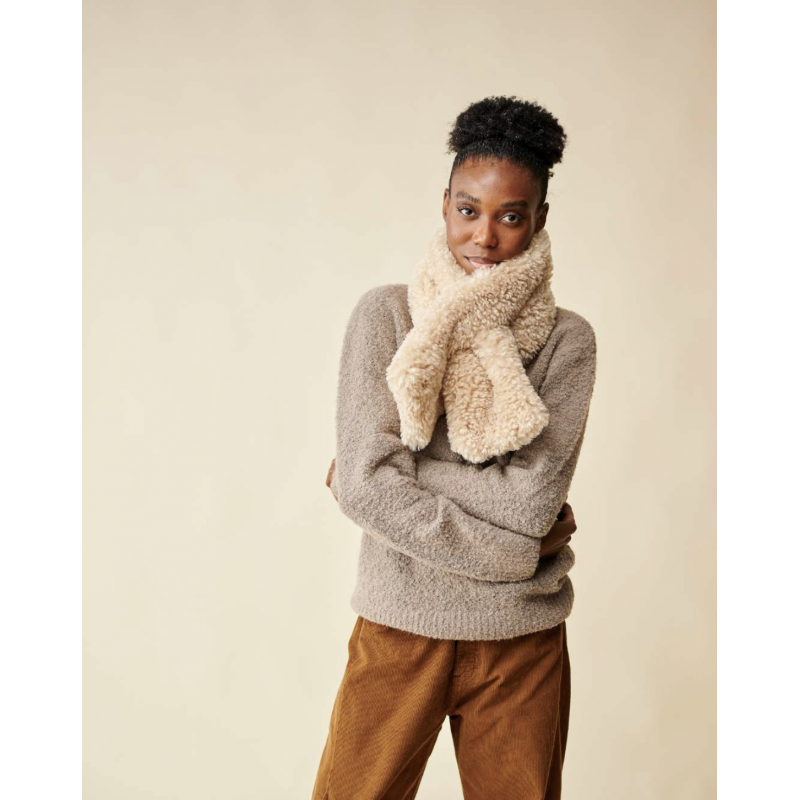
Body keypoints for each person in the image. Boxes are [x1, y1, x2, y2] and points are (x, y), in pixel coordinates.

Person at [311, 95, 597, 800]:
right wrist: (515, 554)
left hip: (522, 641)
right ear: (444, 206)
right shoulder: (386, 315)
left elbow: (530, 504)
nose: (485, 236)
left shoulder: (567, 341)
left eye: (510, 216)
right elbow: (370, 485)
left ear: (539, 219)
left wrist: (403, 471)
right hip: (398, 624)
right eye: (469, 210)